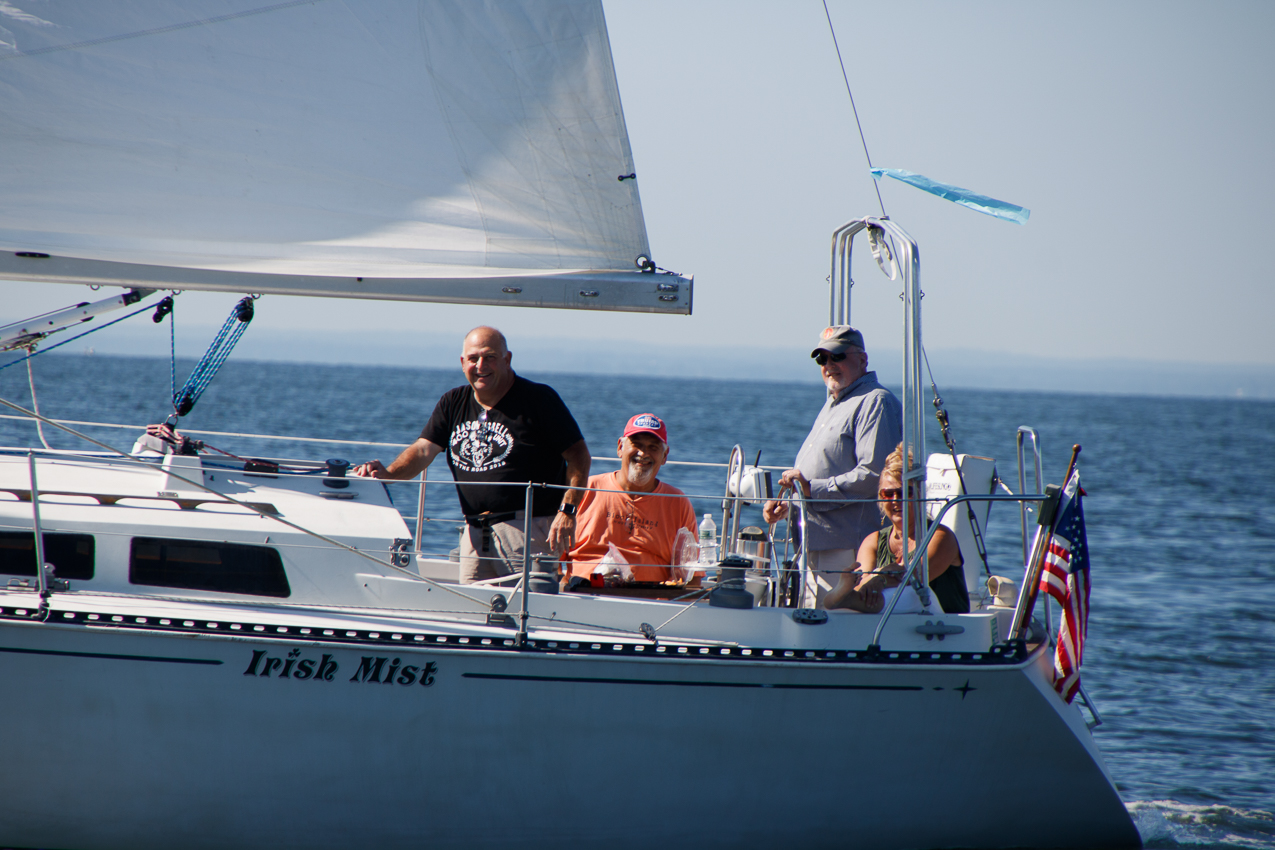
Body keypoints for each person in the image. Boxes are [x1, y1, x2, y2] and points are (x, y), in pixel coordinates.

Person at [352, 326, 590, 583]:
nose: (481, 365)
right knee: (473, 613)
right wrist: (388, 474)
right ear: (462, 362)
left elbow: (579, 456)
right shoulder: (453, 402)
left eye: (490, 357)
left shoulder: (539, 399)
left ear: (507, 359)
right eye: (473, 358)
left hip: (527, 531)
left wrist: (567, 511)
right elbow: (423, 450)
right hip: (475, 532)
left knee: (528, 612)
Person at [762, 325, 902, 608]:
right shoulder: (835, 402)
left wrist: (810, 489)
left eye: (837, 356)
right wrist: (792, 505)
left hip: (847, 548)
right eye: (822, 359)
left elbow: (874, 476)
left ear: (862, 360)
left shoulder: (876, 401)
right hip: (815, 543)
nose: (829, 365)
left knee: (834, 630)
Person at [825, 442, 969, 615]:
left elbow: (913, 574)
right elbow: (866, 587)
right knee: (869, 592)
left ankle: (838, 599)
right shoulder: (873, 541)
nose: (895, 500)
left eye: (904, 493)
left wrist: (881, 579)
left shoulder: (940, 537)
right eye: (888, 494)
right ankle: (841, 597)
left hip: (943, 626)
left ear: (919, 495)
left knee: (913, 590)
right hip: (894, 626)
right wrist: (868, 582)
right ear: (880, 497)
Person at [566, 414, 697, 585]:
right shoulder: (584, 490)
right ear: (620, 447)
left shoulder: (678, 502)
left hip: (649, 602)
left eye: (653, 447)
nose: (643, 453)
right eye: (637, 444)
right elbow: (551, 557)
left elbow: (692, 577)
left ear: (665, 456)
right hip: (585, 594)